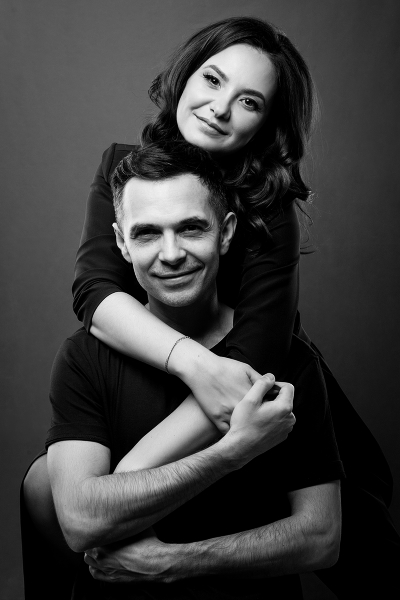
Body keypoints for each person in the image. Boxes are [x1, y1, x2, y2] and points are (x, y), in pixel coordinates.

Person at [22, 15, 399, 599]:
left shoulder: (269, 205)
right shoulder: (126, 170)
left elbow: (253, 356)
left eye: (248, 101)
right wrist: (194, 364)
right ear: (185, 76)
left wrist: (126, 481)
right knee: (44, 487)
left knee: (362, 550)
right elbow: (95, 291)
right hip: (188, 370)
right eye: (213, 79)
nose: (220, 108)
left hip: (260, 379)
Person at [46, 142, 343, 600]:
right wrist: (231, 452)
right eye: (147, 234)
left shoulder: (288, 360)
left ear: (226, 232)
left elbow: (321, 538)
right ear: (121, 243)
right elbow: (81, 520)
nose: (171, 254)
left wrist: (170, 563)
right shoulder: (83, 357)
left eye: (190, 228)